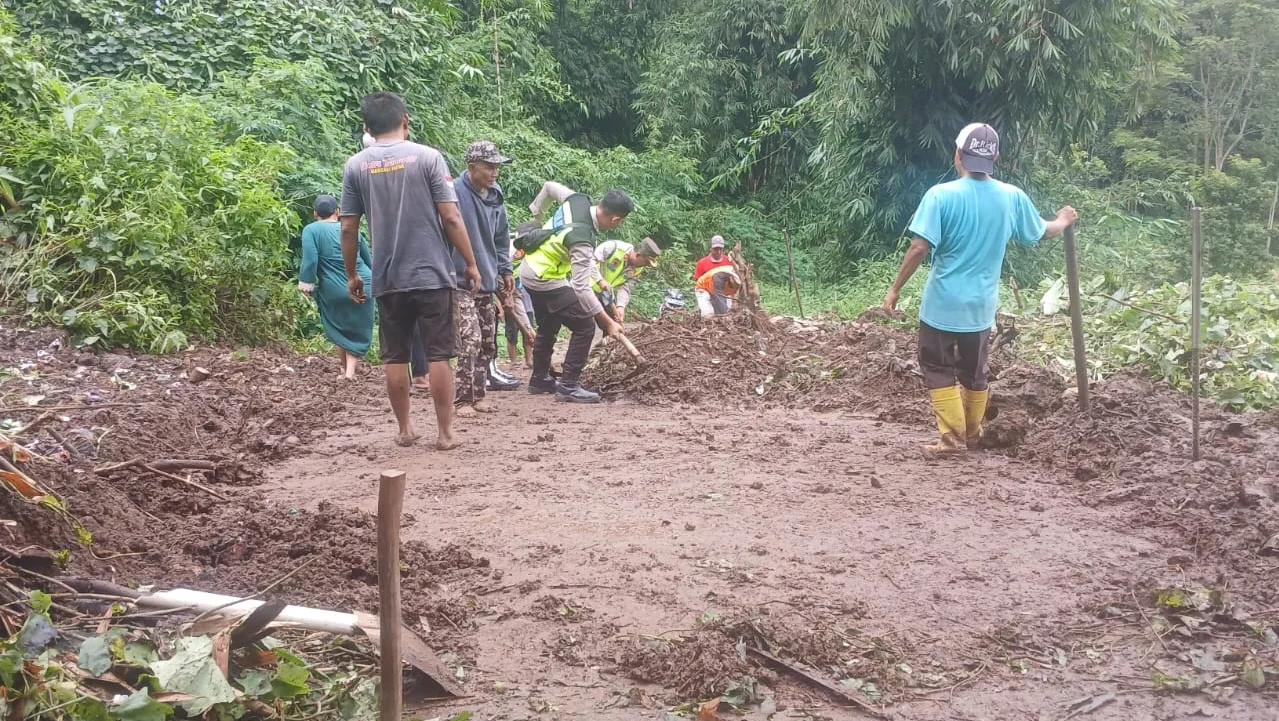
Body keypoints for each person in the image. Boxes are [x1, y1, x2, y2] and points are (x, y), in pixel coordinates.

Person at [882, 122, 1077, 455]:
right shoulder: (1011, 197)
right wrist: (1064, 219)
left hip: (942, 305)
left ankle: (952, 438)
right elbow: (1043, 231)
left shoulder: (940, 196)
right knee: (975, 371)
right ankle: (972, 434)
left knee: (937, 366)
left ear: (958, 154)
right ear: (995, 157)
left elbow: (918, 248)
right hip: (981, 307)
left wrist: (894, 290)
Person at [340, 91, 481, 449]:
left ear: (367, 127)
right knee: (439, 354)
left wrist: (353, 273)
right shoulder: (429, 158)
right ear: (406, 121)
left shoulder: (356, 166)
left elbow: (348, 226)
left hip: (388, 277)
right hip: (432, 273)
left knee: (395, 355)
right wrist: (471, 262)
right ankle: (446, 433)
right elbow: (450, 215)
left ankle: (405, 429)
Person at [520, 181, 631, 403]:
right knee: (585, 324)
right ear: (616, 219)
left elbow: (549, 187)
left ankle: (540, 379)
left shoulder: (577, 200)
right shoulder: (582, 239)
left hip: (530, 269)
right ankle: (569, 386)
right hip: (545, 277)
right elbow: (580, 287)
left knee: (549, 323)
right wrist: (607, 322)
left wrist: (537, 216)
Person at [450, 140, 514, 416]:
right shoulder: (452, 192)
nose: (495, 172)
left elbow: (501, 237)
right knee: (470, 339)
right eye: (489, 166)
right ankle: (462, 400)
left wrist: (505, 269)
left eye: (497, 166)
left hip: (487, 278)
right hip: (459, 279)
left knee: (488, 342)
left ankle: (479, 395)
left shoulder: (495, 195)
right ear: (472, 167)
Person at [297, 194, 374, 380]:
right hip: (364, 283)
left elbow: (310, 259)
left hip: (333, 288)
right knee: (356, 327)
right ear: (337, 212)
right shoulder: (350, 229)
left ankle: (347, 372)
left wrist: (306, 283)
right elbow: (367, 258)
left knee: (338, 325)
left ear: (315, 213)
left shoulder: (311, 230)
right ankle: (348, 371)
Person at [592, 237, 661, 323]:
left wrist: (620, 306)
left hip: (605, 294)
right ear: (639, 255)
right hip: (585, 288)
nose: (645, 266)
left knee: (612, 324)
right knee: (587, 326)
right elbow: (590, 262)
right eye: (646, 262)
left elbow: (625, 288)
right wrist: (600, 280)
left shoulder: (638, 270)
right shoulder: (613, 247)